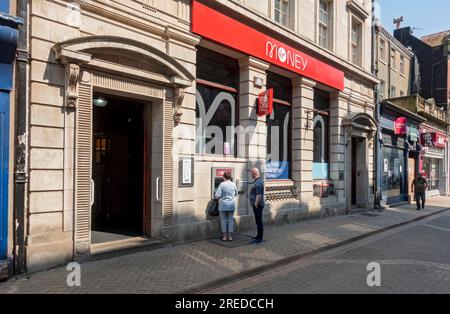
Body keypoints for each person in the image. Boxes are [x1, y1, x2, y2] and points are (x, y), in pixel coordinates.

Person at [215, 172, 238, 241]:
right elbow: (236, 193)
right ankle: (230, 236)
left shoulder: (222, 184)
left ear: (224, 177)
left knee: (223, 221)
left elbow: (217, 195)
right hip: (231, 205)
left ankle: (224, 237)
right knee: (230, 220)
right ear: (230, 177)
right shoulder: (233, 184)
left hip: (223, 205)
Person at [249, 167, 265, 244]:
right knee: (258, 221)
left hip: (258, 205)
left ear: (254, 173)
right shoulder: (257, 181)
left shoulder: (258, 182)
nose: (250, 174)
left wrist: (255, 204)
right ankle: (258, 236)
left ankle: (259, 239)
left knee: (259, 222)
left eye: (251, 173)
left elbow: (259, 195)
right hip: (257, 205)